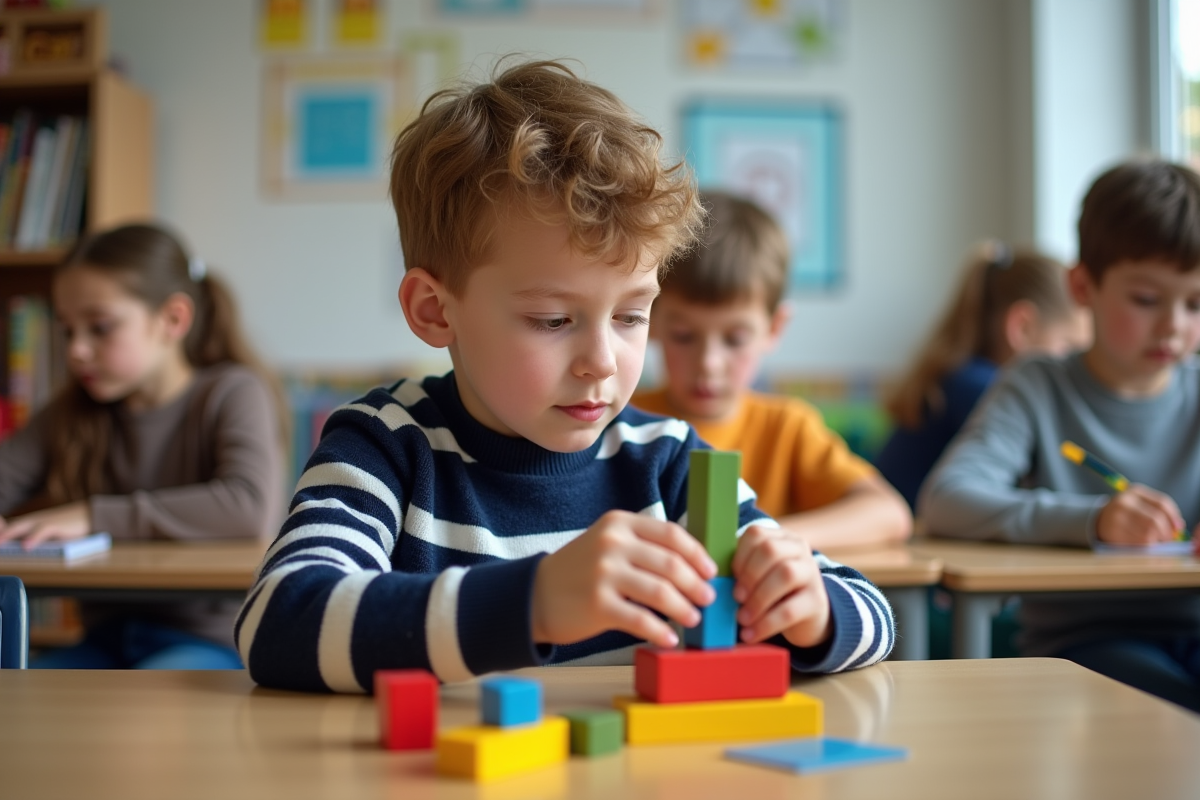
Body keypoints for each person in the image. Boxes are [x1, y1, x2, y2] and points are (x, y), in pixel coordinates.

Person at [236, 60, 895, 694]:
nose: (603, 360)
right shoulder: (384, 446)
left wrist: (812, 608)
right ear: (436, 311)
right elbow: (278, 622)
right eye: (553, 320)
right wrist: (535, 602)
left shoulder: (667, 461)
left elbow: (873, 614)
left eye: (634, 316)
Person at [919, 160, 1200, 711]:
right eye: (1146, 300)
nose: (1173, 325)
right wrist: (1092, 520)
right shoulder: (1037, 384)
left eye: (1195, 303)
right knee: (1169, 714)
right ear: (1082, 286)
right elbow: (947, 499)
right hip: (1083, 644)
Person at [0, 223, 286, 669]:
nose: (76, 350)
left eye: (99, 327)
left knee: (144, 726)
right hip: (101, 642)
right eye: (67, 330)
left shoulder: (232, 391)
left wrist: (92, 515)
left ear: (172, 320)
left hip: (208, 644)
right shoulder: (70, 411)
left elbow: (247, 505)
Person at [633, 191, 911, 552]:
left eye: (735, 339)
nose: (709, 363)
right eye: (684, 336)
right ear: (650, 318)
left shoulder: (787, 429)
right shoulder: (623, 423)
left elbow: (888, 514)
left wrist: (761, 535)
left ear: (775, 328)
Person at [875, 242, 1090, 509]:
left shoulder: (960, 376)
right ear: (1022, 328)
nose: (1073, 363)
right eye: (1069, 346)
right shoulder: (978, 388)